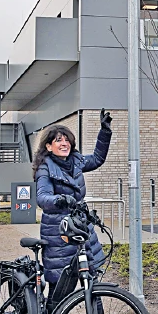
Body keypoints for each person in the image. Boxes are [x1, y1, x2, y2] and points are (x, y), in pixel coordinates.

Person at [32, 109, 113, 298]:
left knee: (92, 286)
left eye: (66, 139)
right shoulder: (45, 168)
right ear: (49, 146)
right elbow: (42, 197)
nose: (64, 143)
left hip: (81, 229)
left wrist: (105, 132)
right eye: (59, 140)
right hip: (59, 233)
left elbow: (98, 158)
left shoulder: (76, 161)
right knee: (60, 289)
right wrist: (58, 200)